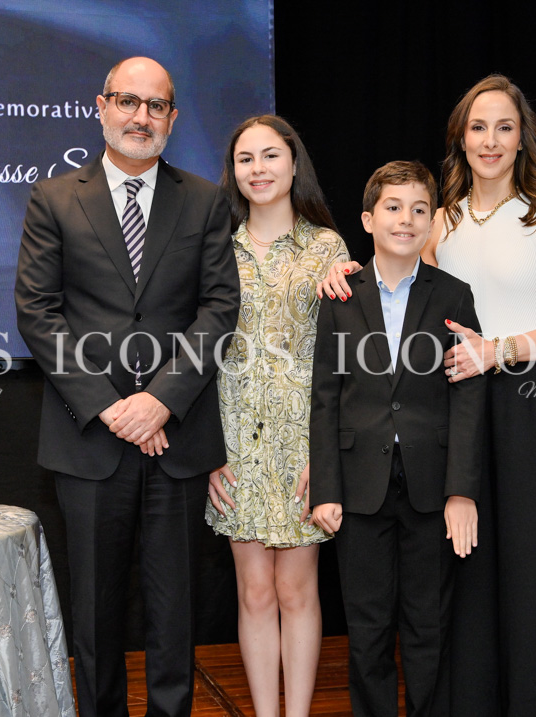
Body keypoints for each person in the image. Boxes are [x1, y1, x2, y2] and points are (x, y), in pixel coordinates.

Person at [319, 76, 536, 716]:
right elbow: (391, 275)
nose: (491, 140)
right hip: (452, 406)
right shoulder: (439, 221)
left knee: (535, 563)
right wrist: (343, 270)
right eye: (479, 127)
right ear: (461, 138)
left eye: (505, 127)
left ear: (522, 138)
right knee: (463, 571)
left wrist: (498, 350)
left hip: (532, 401)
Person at [14, 57, 240, 717]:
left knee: (175, 610)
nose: (141, 116)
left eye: (156, 105)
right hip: (90, 439)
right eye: (128, 101)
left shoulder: (205, 200)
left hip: (178, 439)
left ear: (173, 117)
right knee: (95, 610)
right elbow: (37, 312)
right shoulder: (55, 197)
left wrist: (160, 399)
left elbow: (219, 308)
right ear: (101, 106)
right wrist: (112, 407)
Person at [310, 160, 486, 717]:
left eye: (418, 210)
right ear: (368, 219)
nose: (405, 219)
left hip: (432, 490)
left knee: (427, 626)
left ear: (432, 222)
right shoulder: (340, 296)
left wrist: (461, 490)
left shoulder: (454, 295)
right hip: (359, 488)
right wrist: (326, 489)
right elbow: (325, 396)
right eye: (393, 207)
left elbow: (467, 398)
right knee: (367, 629)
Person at [205, 115, 349, 716]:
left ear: (294, 164)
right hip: (235, 445)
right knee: (255, 591)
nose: (258, 169)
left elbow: (346, 363)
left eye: (270, 156)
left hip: (304, 446)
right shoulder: (213, 248)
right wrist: (207, 453)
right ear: (233, 172)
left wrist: (328, 458)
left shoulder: (327, 249)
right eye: (246, 159)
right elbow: (196, 356)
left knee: (296, 589)